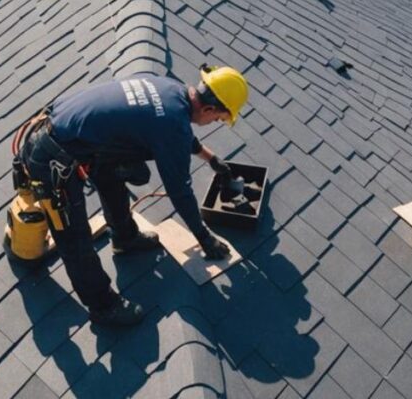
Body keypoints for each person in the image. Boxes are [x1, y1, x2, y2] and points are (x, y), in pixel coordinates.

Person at [18, 65, 249, 326]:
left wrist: (211, 158)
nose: (212, 123)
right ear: (208, 109)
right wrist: (205, 239)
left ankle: (125, 238)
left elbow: (176, 132)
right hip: (52, 160)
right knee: (74, 238)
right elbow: (180, 191)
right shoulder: (172, 123)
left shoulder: (168, 88)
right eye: (217, 119)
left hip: (65, 132)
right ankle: (103, 306)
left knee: (115, 170)